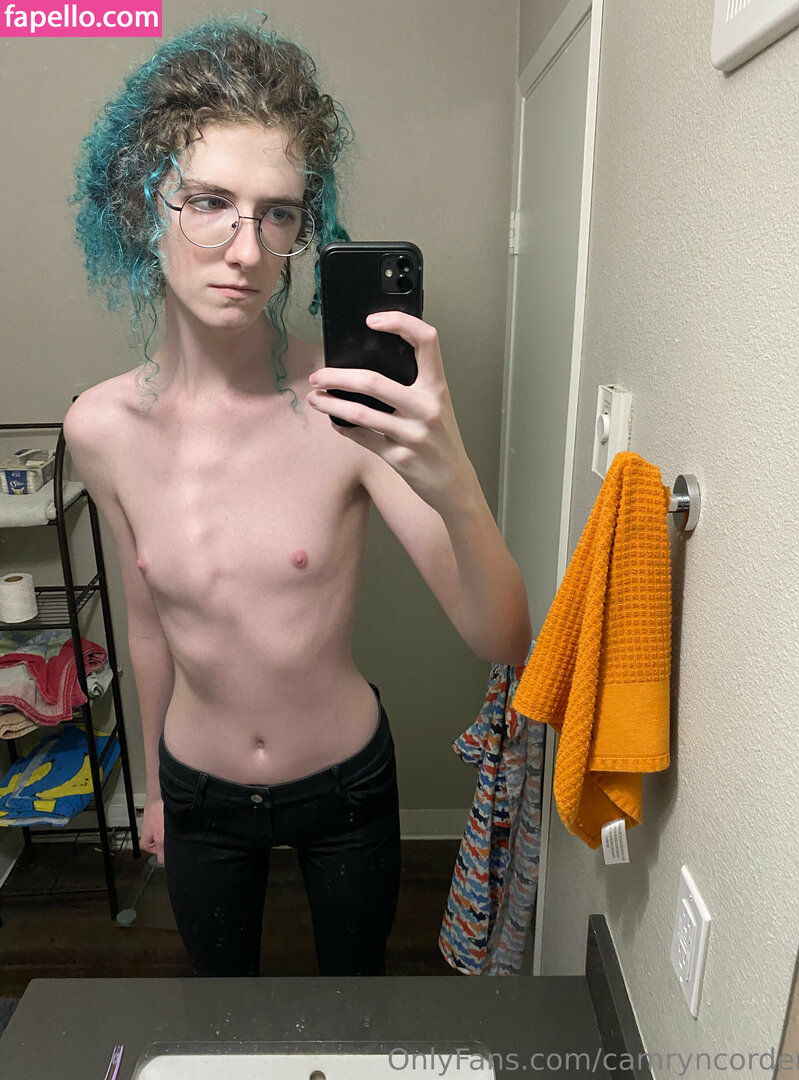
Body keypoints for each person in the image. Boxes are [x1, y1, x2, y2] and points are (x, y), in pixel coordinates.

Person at [63, 14, 532, 977]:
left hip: (345, 787)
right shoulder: (99, 430)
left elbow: (505, 636)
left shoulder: (345, 406)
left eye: (276, 214)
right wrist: (152, 789)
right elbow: (147, 623)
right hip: (197, 792)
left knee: (358, 1011)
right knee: (219, 1015)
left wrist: (453, 478)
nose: (245, 249)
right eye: (209, 202)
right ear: (143, 208)